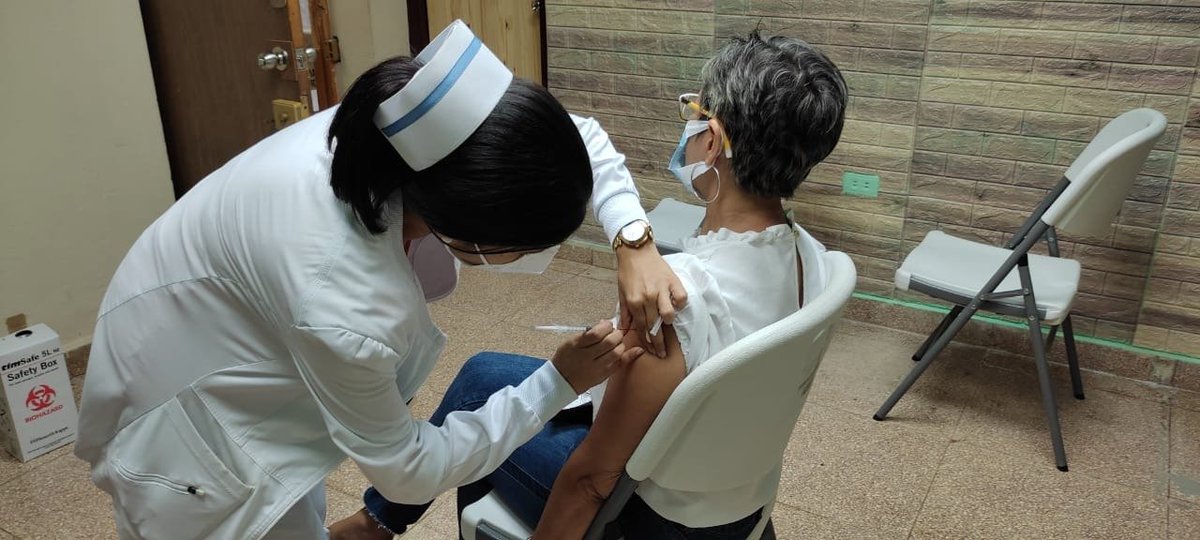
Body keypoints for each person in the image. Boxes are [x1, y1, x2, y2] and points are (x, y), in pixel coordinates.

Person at [74, 21, 685, 539]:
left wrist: (635, 242)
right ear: (468, 230)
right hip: (185, 429)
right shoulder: (343, 297)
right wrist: (557, 382)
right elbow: (410, 471)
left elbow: (583, 138)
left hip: (217, 321)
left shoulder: (421, 132)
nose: (536, 257)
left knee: (298, 493)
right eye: (527, 246)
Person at [340, 31, 848, 539]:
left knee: (482, 425)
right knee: (482, 373)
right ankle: (377, 521)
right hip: (734, 495)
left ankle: (381, 523)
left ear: (711, 141)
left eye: (693, 111)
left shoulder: (675, 303)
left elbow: (591, 481)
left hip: (648, 516)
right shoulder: (810, 256)